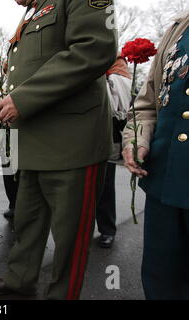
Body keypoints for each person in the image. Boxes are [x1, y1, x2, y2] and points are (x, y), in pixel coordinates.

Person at [0, 0, 117, 300]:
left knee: (71, 236)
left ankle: (63, 293)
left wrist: (24, 97)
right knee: (27, 222)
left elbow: (95, 48)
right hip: (32, 141)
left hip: (72, 142)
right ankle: (20, 279)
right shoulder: (34, 11)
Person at [122, 11, 189, 300]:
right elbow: (148, 104)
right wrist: (136, 138)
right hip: (163, 182)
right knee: (160, 282)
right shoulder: (178, 27)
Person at [96, 55, 132, 248]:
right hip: (77, 129)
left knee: (104, 184)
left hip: (106, 130)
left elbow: (122, 99)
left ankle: (107, 229)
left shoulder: (115, 59)